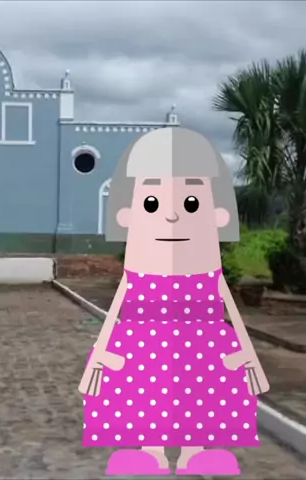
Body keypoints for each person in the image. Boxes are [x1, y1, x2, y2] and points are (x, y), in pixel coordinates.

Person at [78, 127, 270, 476]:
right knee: (144, 396)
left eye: (191, 203)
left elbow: (229, 305)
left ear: (218, 215)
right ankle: (150, 451)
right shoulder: (137, 272)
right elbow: (118, 305)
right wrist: (102, 351)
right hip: (142, 343)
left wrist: (247, 353)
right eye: (151, 203)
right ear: (127, 215)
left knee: (199, 395)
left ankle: (193, 452)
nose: (171, 216)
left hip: (203, 344)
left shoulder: (208, 272)